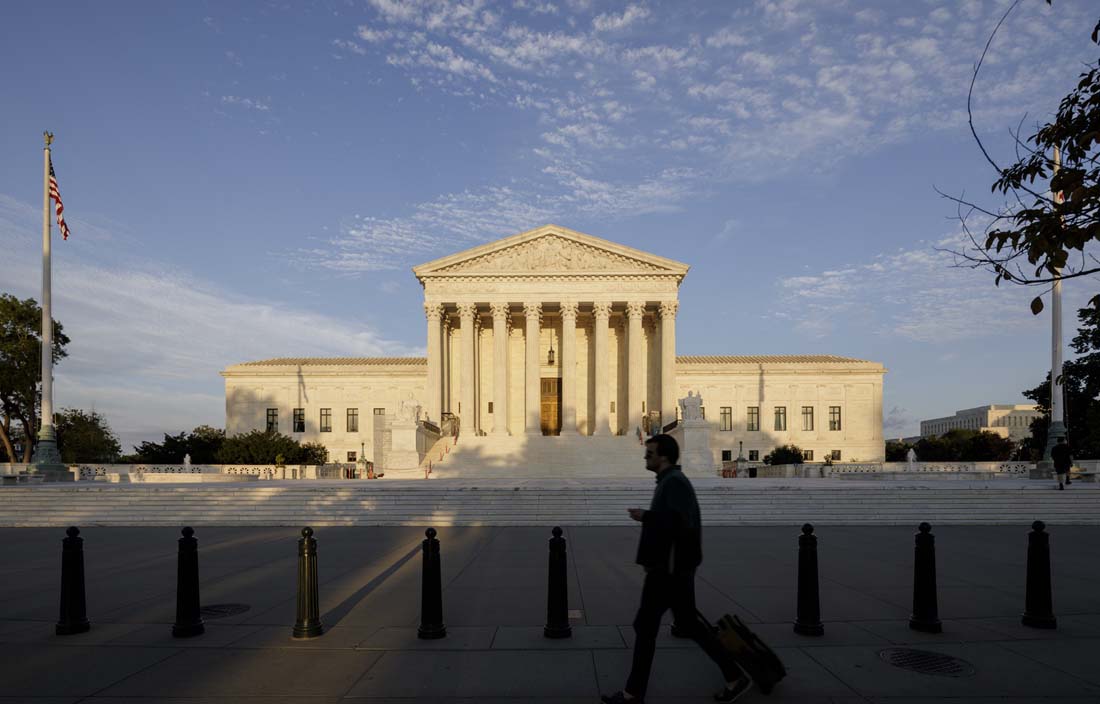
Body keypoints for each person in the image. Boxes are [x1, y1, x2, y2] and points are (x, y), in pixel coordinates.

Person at [601, 434, 753, 704]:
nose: (644, 457)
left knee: (647, 627)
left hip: (668, 570)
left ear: (664, 456)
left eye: (649, 453)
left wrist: (645, 516)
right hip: (670, 569)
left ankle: (632, 694)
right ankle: (734, 675)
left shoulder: (675, 483)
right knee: (687, 625)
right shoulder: (668, 481)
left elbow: (680, 523)